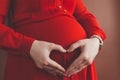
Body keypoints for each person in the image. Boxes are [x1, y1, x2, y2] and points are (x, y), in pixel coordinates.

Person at [0, 0, 106, 80]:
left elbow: (84, 15)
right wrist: (29, 46)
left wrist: (96, 40)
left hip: (80, 68)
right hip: (29, 64)